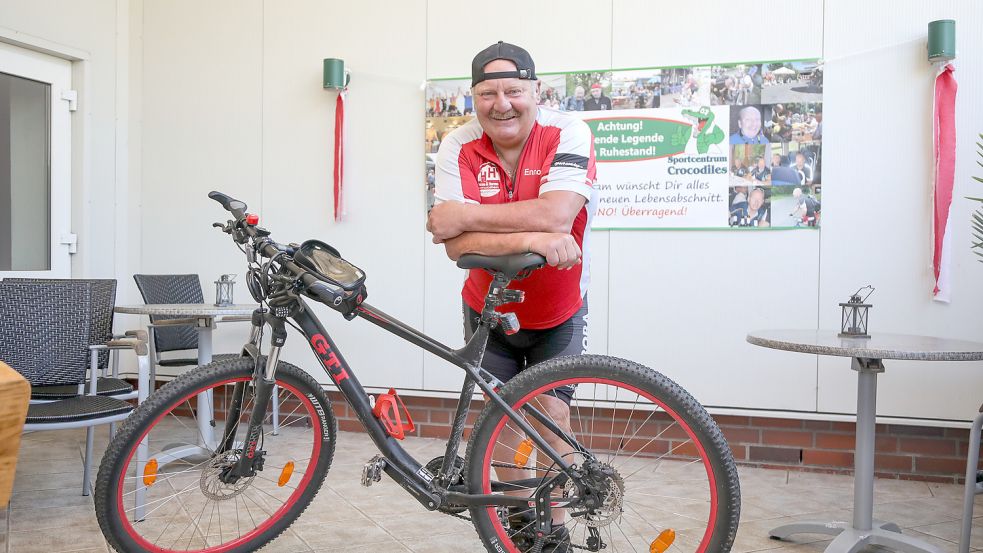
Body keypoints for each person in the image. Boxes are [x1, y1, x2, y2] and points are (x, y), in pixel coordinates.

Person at [426, 41, 595, 551]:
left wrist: (467, 216)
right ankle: (523, 522)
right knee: (502, 418)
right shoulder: (458, 144)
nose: (501, 104)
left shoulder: (567, 132)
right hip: (488, 307)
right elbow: (455, 246)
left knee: (552, 415)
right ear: (474, 97)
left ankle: (555, 526)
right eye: (487, 93)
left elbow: (557, 214)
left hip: (558, 310)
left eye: (513, 91)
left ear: (535, 91)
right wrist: (535, 238)